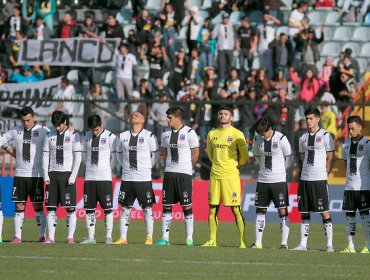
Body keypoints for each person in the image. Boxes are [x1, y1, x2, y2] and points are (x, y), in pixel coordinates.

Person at [0, 106, 49, 243]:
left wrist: (69, 129)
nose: (26, 123)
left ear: (33, 117)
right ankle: (17, 236)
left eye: (28, 120)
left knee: (38, 206)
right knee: (19, 205)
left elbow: (56, 137)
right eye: (23, 120)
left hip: (36, 175)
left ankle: (41, 236)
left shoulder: (43, 131)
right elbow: (2, 141)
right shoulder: (16, 130)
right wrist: (8, 148)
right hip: (20, 175)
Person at [202, 106, 248, 248]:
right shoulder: (212, 134)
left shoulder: (237, 134)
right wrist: (217, 164)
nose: (222, 116)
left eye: (226, 114)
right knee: (212, 209)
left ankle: (242, 241)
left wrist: (236, 165)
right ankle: (212, 240)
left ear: (232, 118)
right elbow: (210, 154)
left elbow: (245, 156)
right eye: (220, 113)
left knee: (235, 209)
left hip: (231, 176)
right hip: (215, 175)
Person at [292, 107, 335, 252]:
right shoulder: (302, 137)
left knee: (324, 211)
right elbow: (303, 157)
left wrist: (325, 174)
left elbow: (330, 158)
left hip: (319, 179)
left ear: (317, 119)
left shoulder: (325, 135)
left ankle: (329, 245)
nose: (308, 121)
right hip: (305, 179)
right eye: (307, 119)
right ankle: (303, 244)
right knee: (304, 211)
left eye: (311, 118)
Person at [155, 106, 199, 246]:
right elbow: (163, 151)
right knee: (167, 206)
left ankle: (189, 239)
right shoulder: (165, 133)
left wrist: (188, 168)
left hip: (184, 175)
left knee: (186, 206)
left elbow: (196, 153)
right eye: (167, 118)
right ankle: (165, 238)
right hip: (169, 174)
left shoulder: (189, 133)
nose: (167, 120)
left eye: (170, 118)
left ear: (178, 118)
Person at [114, 112, 159, 245]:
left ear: (143, 119)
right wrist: (126, 168)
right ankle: (123, 237)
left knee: (147, 208)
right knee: (125, 208)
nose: (133, 116)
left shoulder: (149, 136)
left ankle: (149, 237)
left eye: (137, 115)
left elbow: (155, 156)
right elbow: (119, 155)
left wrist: (146, 168)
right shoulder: (123, 136)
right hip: (127, 178)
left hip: (143, 179)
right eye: (132, 115)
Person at [251, 118, 293, 249]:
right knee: (260, 211)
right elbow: (257, 156)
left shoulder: (281, 139)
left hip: (278, 181)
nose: (262, 136)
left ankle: (284, 243)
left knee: (282, 211)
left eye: (264, 134)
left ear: (270, 129)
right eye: (260, 134)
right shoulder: (257, 139)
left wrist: (280, 172)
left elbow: (289, 158)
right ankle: (258, 243)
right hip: (263, 180)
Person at [42, 111, 82, 243]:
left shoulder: (73, 135)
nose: (57, 128)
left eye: (59, 125)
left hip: (67, 175)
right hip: (52, 174)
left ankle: (70, 237)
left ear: (65, 122)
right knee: (51, 208)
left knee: (70, 208)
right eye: (55, 125)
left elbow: (78, 157)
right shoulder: (49, 135)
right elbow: (45, 156)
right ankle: (51, 237)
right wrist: (45, 174)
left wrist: (73, 176)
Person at [80, 114, 117, 244]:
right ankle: (91, 237)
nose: (95, 132)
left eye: (97, 129)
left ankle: (108, 237)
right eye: (93, 130)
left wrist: (108, 170)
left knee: (107, 209)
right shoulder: (85, 136)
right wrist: (89, 168)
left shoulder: (110, 137)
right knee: (89, 209)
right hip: (89, 178)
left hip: (104, 178)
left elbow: (114, 157)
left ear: (101, 125)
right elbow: (84, 156)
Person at [340, 116, 370, 254]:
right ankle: (350, 246)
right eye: (349, 128)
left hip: (363, 187)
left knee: (365, 216)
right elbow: (345, 165)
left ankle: (367, 246)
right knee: (349, 217)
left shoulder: (367, 144)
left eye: (353, 128)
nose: (350, 131)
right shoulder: (345, 145)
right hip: (349, 187)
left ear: (360, 127)